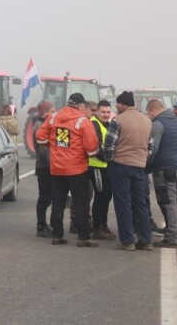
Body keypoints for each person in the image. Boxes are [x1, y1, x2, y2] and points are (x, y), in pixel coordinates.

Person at [36, 93, 100, 247]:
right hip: (77, 169)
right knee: (80, 203)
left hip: (57, 168)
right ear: (80, 106)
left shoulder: (54, 117)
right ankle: (83, 237)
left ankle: (57, 235)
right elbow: (92, 149)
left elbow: (40, 137)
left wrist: (53, 146)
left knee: (57, 202)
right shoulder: (83, 121)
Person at [104, 91, 154, 251]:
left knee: (123, 203)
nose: (116, 107)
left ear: (122, 104)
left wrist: (110, 160)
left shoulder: (118, 120)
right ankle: (145, 240)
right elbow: (151, 147)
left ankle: (127, 241)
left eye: (117, 104)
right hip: (139, 166)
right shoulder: (147, 121)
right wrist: (142, 159)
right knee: (140, 203)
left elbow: (109, 146)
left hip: (121, 165)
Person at [145, 99, 177, 248]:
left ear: (152, 111)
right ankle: (174, 229)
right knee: (176, 201)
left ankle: (172, 236)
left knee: (167, 201)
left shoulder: (158, 123)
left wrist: (145, 164)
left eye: (149, 114)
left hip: (164, 168)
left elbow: (153, 148)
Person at [89, 100, 116, 240]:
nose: (106, 114)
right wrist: (108, 158)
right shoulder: (94, 124)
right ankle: (97, 227)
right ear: (97, 112)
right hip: (97, 165)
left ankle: (103, 225)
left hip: (105, 166)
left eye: (108, 112)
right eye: (103, 112)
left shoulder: (108, 124)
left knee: (106, 196)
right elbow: (96, 146)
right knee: (100, 196)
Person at [31, 100, 55, 238]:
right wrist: (53, 165)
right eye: (52, 111)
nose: (54, 114)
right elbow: (44, 151)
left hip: (46, 166)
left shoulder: (44, 124)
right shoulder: (40, 127)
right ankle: (41, 225)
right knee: (45, 198)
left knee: (47, 197)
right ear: (45, 113)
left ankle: (43, 224)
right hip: (45, 167)